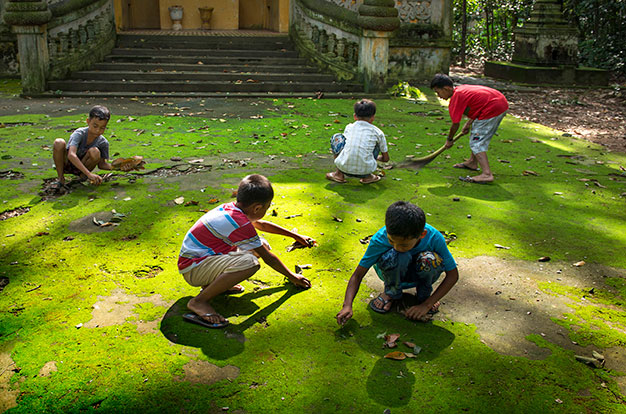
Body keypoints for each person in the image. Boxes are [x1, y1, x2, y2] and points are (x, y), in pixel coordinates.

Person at [178, 174, 313, 329]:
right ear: (257, 208)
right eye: (267, 207)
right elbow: (268, 258)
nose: (267, 210)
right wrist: (293, 277)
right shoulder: (240, 223)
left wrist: (295, 236)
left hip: (200, 260)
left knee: (261, 244)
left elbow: (261, 225)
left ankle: (215, 285)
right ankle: (199, 302)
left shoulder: (232, 209)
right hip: (193, 268)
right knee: (250, 263)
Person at [336, 201, 459, 325]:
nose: (396, 247)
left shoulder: (434, 237)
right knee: (399, 255)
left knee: (429, 259)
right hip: (392, 270)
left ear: (422, 235)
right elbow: (357, 275)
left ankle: (425, 295)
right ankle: (391, 293)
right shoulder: (380, 238)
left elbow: (453, 275)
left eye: (404, 244)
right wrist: (347, 305)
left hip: (420, 272)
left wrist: (427, 305)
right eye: (391, 241)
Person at [430, 73, 508, 184]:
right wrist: (469, 123)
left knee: (477, 142)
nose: (438, 96)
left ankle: (486, 174)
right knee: (476, 133)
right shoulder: (461, 91)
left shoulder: (456, 98)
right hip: (498, 103)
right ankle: (472, 162)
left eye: (438, 92)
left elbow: (455, 124)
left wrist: (449, 140)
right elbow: (478, 104)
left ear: (446, 88)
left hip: (493, 107)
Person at [52, 105, 121, 190]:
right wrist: (89, 174)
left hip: (83, 167)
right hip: (67, 164)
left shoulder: (103, 142)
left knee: (95, 151)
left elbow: (102, 165)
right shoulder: (79, 133)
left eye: (102, 128)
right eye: (95, 126)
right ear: (88, 122)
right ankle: (61, 179)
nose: (98, 130)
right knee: (59, 142)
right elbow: (71, 155)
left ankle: (82, 178)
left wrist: (120, 167)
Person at [325, 99, 390, 184]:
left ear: (355, 116)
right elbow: (386, 159)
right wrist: (374, 156)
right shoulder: (378, 132)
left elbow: (346, 147)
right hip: (366, 169)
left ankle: (339, 174)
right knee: (376, 143)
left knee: (337, 137)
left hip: (343, 167)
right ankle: (368, 177)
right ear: (372, 118)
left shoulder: (349, 127)